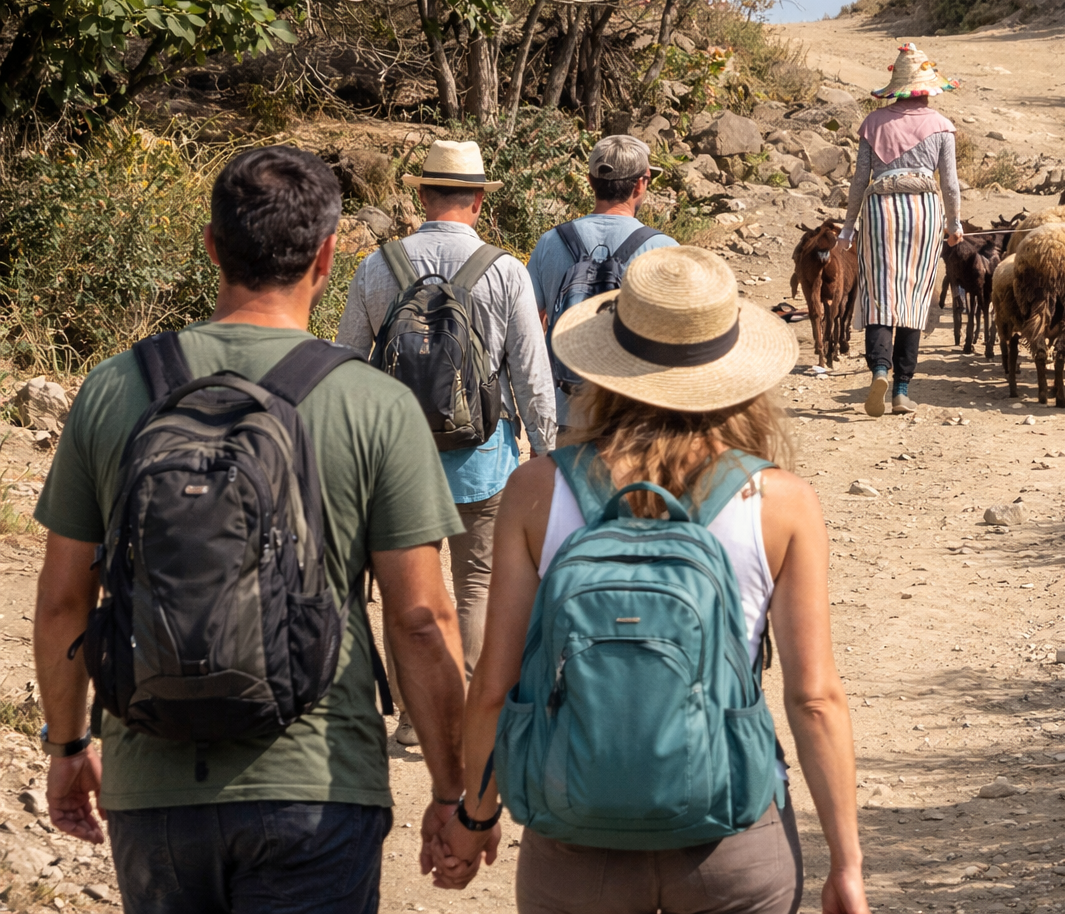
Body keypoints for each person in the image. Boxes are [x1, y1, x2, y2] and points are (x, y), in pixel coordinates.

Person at [31, 146, 473, 913]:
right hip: (318, 784)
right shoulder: (373, 403)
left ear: (210, 246)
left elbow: (65, 599)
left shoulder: (112, 389)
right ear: (329, 255)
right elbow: (421, 618)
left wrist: (69, 748)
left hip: (152, 782)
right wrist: (452, 789)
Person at [431, 247, 870, 914]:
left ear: (607, 365)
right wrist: (847, 863)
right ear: (734, 371)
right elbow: (814, 699)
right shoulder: (780, 501)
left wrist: (477, 818)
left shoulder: (536, 490)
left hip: (573, 837)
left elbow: (495, 687)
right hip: (731, 838)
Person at [337, 139, 558, 745]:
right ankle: (463, 711)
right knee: (477, 585)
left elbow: (345, 361)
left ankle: (412, 717)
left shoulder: (378, 266)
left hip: (394, 460)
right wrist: (545, 449)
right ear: (480, 201)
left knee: (407, 588)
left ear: (422, 197)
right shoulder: (505, 270)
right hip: (481, 457)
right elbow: (530, 372)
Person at [526, 134, 677, 435]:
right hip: (633, 417)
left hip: (566, 411)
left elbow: (529, 324)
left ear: (590, 181)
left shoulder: (550, 242)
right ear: (640, 184)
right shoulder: (663, 248)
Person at [841, 43, 962, 417]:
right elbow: (951, 185)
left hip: (880, 212)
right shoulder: (941, 127)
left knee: (880, 293)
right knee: (913, 297)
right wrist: (954, 225)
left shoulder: (873, 124)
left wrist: (847, 229)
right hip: (924, 213)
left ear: (896, 86)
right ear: (927, 88)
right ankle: (902, 390)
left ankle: (879, 368)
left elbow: (859, 181)